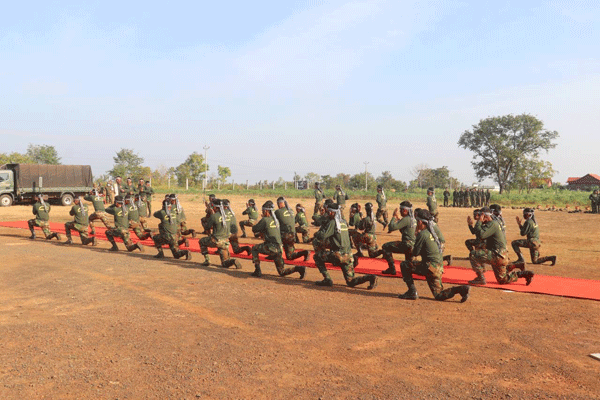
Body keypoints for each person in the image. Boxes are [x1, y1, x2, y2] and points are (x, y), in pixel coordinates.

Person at [398, 209, 470, 302]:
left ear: (420, 222)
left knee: (404, 265)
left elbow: (415, 253)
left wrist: (415, 239)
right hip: (438, 268)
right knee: (438, 295)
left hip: (429, 267)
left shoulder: (422, 234)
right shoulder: (432, 232)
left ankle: (411, 292)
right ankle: (461, 289)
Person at [312, 203, 377, 289]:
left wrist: (317, 233)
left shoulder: (332, 222)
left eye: (329, 211)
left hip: (338, 255)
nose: (328, 213)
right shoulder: (343, 222)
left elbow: (322, 236)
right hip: (348, 256)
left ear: (332, 212)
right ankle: (370, 277)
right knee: (350, 282)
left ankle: (327, 279)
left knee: (317, 257)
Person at [468, 207, 534, 285]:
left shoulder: (492, 224)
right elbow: (478, 232)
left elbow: (481, 235)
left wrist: (479, 221)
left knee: (473, 254)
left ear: (484, 216)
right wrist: (471, 225)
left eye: (480, 216)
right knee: (503, 280)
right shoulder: (492, 223)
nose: (479, 217)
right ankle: (524, 274)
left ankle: (480, 278)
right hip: (501, 255)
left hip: (497, 255)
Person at [250, 201, 306, 279]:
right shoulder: (276, 221)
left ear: (266, 211)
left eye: (263, 211)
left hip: (271, 248)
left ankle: (257, 270)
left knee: (254, 248)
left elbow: (254, 229)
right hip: (279, 249)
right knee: (282, 272)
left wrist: (258, 222)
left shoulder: (265, 220)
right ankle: (298, 268)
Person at [198, 199, 241, 269]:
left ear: (215, 207)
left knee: (201, 241)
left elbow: (207, 227)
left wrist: (207, 218)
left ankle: (207, 260)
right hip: (226, 241)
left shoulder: (214, 216)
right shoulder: (228, 215)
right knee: (224, 263)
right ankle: (233, 261)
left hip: (216, 240)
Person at [381, 201, 416, 275]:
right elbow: (405, 231)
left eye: (401, 210)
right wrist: (399, 220)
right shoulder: (413, 219)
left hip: (407, 245)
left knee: (385, 247)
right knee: (408, 260)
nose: (400, 211)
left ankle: (392, 268)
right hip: (414, 245)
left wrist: (394, 217)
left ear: (405, 210)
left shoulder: (406, 219)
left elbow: (391, 227)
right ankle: (410, 269)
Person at [275, 197, 309, 261]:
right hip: (292, 236)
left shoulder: (278, 212)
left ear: (280, 204)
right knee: (290, 256)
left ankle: (274, 254)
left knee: (272, 234)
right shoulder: (291, 211)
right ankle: (305, 252)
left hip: (285, 236)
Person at [352, 202, 383, 267]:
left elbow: (360, 228)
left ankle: (359, 251)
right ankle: (382, 251)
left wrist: (361, 218)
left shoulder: (367, 219)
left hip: (367, 236)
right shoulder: (374, 217)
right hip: (373, 237)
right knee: (372, 255)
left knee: (354, 235)